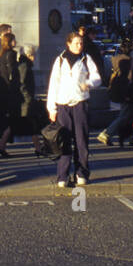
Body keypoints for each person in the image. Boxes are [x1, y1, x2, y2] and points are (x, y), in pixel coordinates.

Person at [47, 30, 102, 188]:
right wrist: (52, 108)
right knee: (64, 142)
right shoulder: (60, 60)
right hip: (63, 105)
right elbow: (53, 85)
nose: (79, 45)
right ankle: (62, 176)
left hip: (80, 103)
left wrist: (89, 83)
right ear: (68, 44)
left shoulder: (86, 58)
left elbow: (97, 77)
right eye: (76, 43)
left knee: (81, 141)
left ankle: (81, 173)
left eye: (81, 43)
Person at [97, 39, 133, 147]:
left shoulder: (115, 59)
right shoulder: (129, 61)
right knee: (125, 114)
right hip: (127, 90)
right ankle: (107, 133)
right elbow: (130, 78)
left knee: (129, 114)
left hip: (118, 89)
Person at [0, 32, 21, 158]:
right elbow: (12, 73)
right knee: (13, 121)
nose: (16, 42)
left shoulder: (3, 54)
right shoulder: (10, 54)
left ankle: (2, 146)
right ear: (10, 42)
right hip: (11, 92)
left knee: (13, 121)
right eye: (14, 40)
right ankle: (1, 146)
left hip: (4, 91)